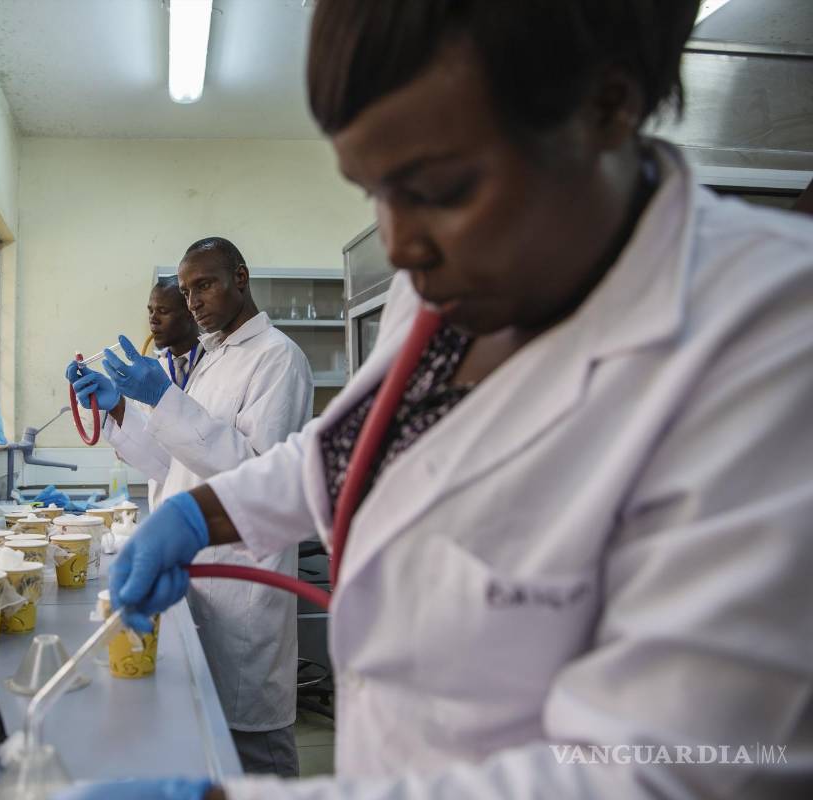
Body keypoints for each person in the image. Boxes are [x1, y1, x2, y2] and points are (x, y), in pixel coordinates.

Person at [59, 1, 813, 798]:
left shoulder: (769, 341)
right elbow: (353, 453)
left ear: (607, 106)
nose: (402, 246)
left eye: (441, 185)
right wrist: (198, 516)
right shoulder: (437, 293)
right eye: (373, 190)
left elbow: (663, 773)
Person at [65, 237, 314, 777]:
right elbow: (172, 465)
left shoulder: (278, 358)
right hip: (199, 581)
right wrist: (120, 411)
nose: (193, 300)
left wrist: (165, 399)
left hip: (245, 583)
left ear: (240, 278)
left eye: (204, 284)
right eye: (185, 290)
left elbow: (257, 476)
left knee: (256, 749)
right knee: (207, 740)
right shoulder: (210, 359)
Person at [143, 275, 205, 510]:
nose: (153, 320)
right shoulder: (153, 371)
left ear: (189, 312)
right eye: (150, 311)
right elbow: (143, 444)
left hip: (203, 502)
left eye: (163, 311)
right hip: (162, 502)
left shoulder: (215, 363)